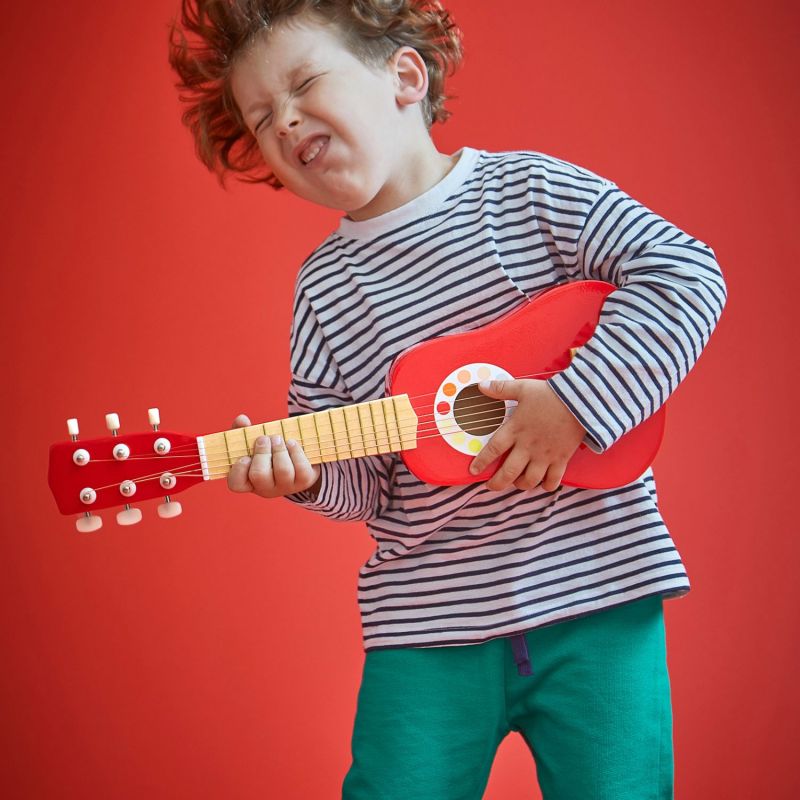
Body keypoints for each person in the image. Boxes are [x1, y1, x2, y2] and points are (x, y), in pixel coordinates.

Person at [169, 2, 726, 797]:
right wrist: (305, 474)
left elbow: (685, 272)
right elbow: (364, 486)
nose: (283, 121)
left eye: (303, 84)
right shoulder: (325, 291)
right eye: (261, 119)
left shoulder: (528, 191)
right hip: (427, 627)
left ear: (404, 76)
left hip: (598, 593)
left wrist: (574, 406)